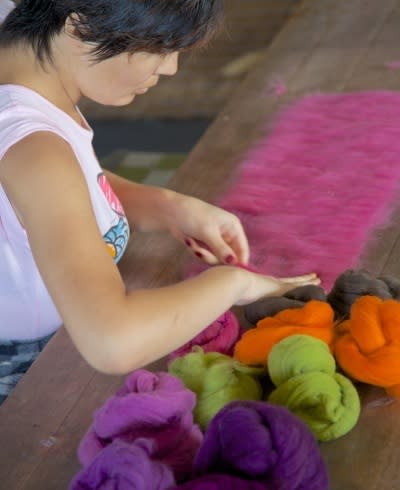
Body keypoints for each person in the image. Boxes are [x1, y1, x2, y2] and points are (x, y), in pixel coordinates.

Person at [0, 0, 320, 403]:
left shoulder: (19, 43)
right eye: (159, 45)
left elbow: (45, 187)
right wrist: (231, 282)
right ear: (79, 27)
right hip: (24, 371)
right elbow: (111, 342)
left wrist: (168, 206)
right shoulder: (35, 147)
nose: (169, 68)